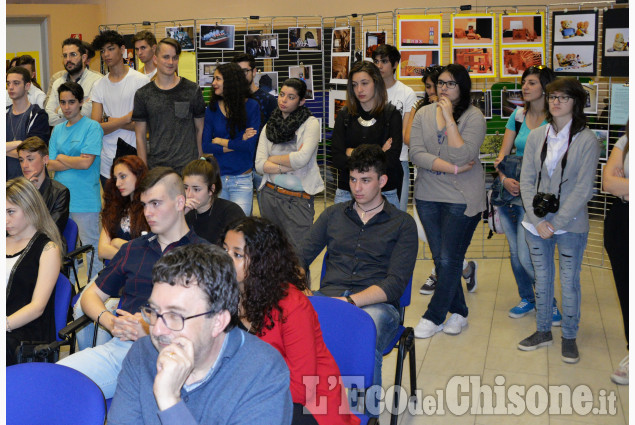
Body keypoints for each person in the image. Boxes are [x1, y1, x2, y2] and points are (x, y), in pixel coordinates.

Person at [57, 167, 209, 399]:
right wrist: (110, 321)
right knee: (51, 380)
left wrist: (150, 330)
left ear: (180, 203)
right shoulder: (134, 249)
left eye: (156, 204)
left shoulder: (205, 254)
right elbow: (90, 296)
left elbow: (210, 324)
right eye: (144, 205)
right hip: (122, 348)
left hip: (179, 355)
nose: (148, 212)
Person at [108, 244, 293, 424]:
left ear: (217, 322)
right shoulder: (142, 353)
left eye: (175, 316)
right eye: (155, 311)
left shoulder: (264, 373)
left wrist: (170, 401)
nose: (156, 330)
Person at [301, 144, 418, 396]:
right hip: (329, 297)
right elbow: (297, 257)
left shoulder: (402, 224)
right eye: (353, 179)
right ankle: (307, 404)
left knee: (363, 333)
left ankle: (362, 414)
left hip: (377, 305)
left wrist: (347, 302)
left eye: (365, 180)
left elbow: (395, 284)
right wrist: (302, 289)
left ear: (382, 181)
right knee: (289, 325)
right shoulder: (332, 215)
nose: (357, 188)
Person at [223, 217, 359, 425]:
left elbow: (301, 389)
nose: (226, 260)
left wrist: (241, 391)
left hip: (310, 404)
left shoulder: (292, 305)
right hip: (254, 395)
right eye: (225, 251)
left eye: (237, 254)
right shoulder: (223, 296)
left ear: (261, 261)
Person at [517, 77, 601, 364]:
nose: (556, 102)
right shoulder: (537, 136)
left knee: (569, 281)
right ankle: (542, 330)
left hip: (571, 223)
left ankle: (569, 335)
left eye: (563, 98)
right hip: (536, 222)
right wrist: (536, 217)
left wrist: (557, 220)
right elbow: (526, 180)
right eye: (553, 97)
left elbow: (584, 188)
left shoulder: (587, 140)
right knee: (542, 279)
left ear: (576, 103)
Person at [410, 64, 486, 339]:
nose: (443, 88)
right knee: (443, 259)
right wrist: (451, 168)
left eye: (451, 84)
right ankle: (459, 311)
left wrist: (449, 118)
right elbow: (416, 154)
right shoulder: (423, 114)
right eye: (440, 82)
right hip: (428, 195)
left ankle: (434, 315)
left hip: (462, 197)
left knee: (448, 257)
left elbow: (463, 153)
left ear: (462, 88)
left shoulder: (474, 116)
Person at [494, 66, 561, 322]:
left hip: (536, 199)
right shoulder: (517, 116)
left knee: (527, 254)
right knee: (515, 254)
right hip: (510, 194)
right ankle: (528, 297)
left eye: (531, 82)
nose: (525, 87)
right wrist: (504, 178)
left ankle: (548, 301)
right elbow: (501, 157)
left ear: (545, 87)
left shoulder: (555, 120)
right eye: (524, 82)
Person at [255, 78, 323, 252]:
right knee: (272, 257)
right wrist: (288, 163)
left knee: (298, 257)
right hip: (269, 195)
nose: (283, 100)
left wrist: (273, 158)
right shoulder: (270, 126)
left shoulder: (311, 124)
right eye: (282, 94)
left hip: (298, 200)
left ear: (301, 101)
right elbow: (259, 164)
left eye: (291, 97)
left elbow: (302, 160)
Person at [47, 81, 104, 279]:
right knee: (67, 253)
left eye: (71, 102)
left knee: (91, 252)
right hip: (61, 200)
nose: (66, 107)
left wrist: (62, 158)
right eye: (63, 102)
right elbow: (50, 164)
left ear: (81, 102)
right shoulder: (57, 130)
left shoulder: (92, 127)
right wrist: (73, 159)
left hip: (85, 200)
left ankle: (98, 297)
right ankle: (72, 298)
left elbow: (86, 163)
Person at [6, 177, 64, 366]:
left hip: (25, 332)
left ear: (30, 208)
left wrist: (4, 325)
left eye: (11, 212)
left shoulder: (48, 249)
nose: (5, 219)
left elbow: (37, 307)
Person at [331, 61, 403, 208]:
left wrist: (352, 152)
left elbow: (391, 159)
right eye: (355, 84)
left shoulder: (391, 115)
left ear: (376, 83)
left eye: (364, 83)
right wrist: (379, 151)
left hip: (385, 192)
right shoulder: (345, 115)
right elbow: (337, 158)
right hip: (347, 191)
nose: (359, 89)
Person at [133, 38, 206, 173]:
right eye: (166, 57)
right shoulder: (143, 94)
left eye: (175, 58)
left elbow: (200, 130)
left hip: (188, 169)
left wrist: (199, 162)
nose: (171, 62)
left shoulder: (192, 90)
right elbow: (140, 136)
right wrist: (143, 171)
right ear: (155, 59)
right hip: (157, 169)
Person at [91, 30, 150, 187]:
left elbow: (143, 127)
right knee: (112, 210)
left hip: (134, 159)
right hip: (107, 163)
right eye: (103, 51)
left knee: (136, 209)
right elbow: (96, 128)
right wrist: (126, 119)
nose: (106, 54)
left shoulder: (141, 81)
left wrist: (110, 121)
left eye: (111, 49)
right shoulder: (99, 85)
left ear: (122, 49)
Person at [202, 62, 261, 215]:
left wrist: (222, 141)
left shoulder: (252, 107)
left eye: (218, 79)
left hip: (241, 179)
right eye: (214, 78)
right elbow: (206, 146)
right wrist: (238, 141)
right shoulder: (212, 109)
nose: (213, 83)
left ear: (230, 82)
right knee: (221, 229)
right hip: (218, 180)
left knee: (240, 228)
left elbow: (249, 147)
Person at [372, 45, 416, 212]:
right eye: (376, 61)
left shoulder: (407, 93)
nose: (379, 66)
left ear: (395, 64)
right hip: (373, 159)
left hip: (399, 159)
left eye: (384, 61)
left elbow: (404, 132)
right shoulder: (369, 91)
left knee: (398, 213)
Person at [603, 124, 629, 385]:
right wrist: (620, 185)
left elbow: (618, 182)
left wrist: (626, 184)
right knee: (626, 290)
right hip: (622, 219)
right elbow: (608, 182)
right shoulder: (625, 139)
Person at [232, 53, 278, 197]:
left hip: (262, 164)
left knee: (267, 213)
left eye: (245, 71)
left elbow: (275, 135)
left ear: (254, 71)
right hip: (238, 165)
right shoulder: (229, 101)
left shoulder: (268, 100)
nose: (241, 75)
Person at [182, 155, 245, 245]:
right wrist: (180, 215)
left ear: (211, 189)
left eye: (196, 189)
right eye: (185, 188)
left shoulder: (230, 212)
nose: (189, 195)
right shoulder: (184, 212)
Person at [99, 155, 150, 261]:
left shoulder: (150, 208)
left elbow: (149, 254)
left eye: (122, 176)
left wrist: (117, 242)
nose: (117, 184)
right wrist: (134, 256)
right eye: (115, 178)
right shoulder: (115, 207)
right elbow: (102, 250)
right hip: (120, 270)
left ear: (138, 175)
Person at [17, 137, 70, 235]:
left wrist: (28, 193)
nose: (24, 165)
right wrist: (25, 189)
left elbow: (51, 231)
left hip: (46, 246)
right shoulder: (16, 189)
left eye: (30, 159)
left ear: (45, 159)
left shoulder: (60, 192)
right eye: (21, 160)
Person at [46, 37, 103, 127]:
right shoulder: (57, 83)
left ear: (84, 57)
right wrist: (78, 109)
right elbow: (49, 118)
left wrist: (59, 110)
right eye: (65, 56)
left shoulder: (96, 81)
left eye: (73, 55)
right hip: (62, 137)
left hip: (85, 136)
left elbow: (88, 113)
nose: (68, 59)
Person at [6, 67, 50, 180]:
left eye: (16, 83)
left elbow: (32, 154)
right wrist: (20, 143)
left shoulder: (38, 116)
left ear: (27, 86)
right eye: (8, 83)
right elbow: (24, 152)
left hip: (30, 183)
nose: (10, 87)